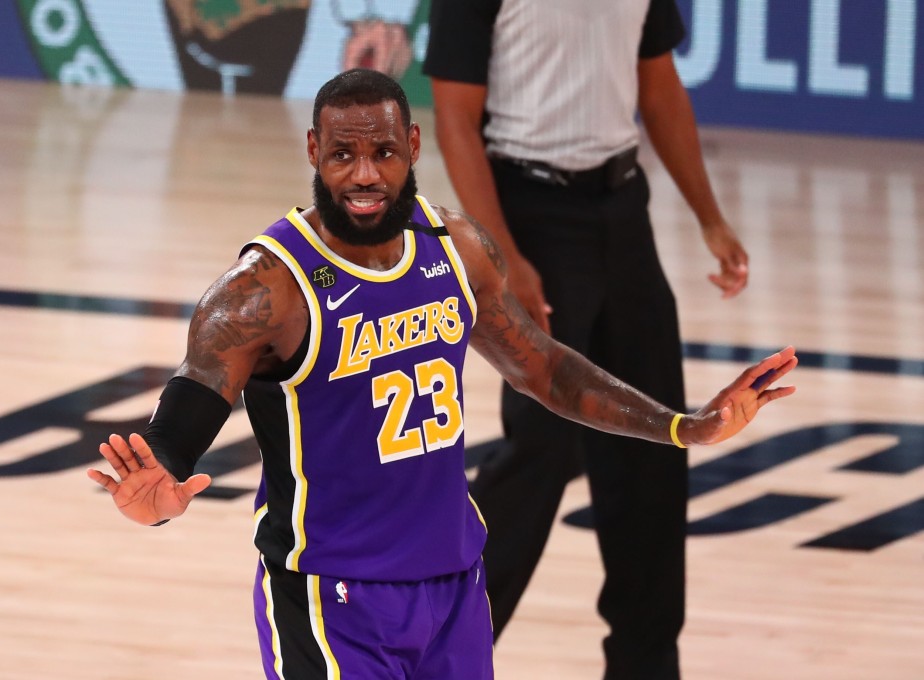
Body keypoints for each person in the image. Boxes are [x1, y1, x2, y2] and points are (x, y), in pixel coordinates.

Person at [88, 69, 793, 680]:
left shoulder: (457, 248)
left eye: (383, 152)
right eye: (343, 154)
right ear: (313, 152)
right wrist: (159, 491)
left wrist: (683, 426)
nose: (365, 175)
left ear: (413, 147)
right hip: (332, 596)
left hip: (454, 584)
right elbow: (183, 422)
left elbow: (544, 370)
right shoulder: (265, 289)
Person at [423, 2, 751, 677]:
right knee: (540, 451)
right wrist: (501, 255)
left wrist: (710, 217)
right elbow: (454, 117)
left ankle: (645, 665)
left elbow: (658, 85)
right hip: (530, 211)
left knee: (657, 443)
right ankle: (437, 654)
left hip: (623, 211)